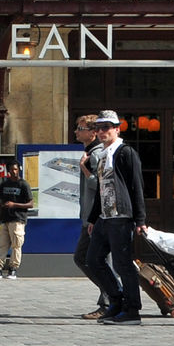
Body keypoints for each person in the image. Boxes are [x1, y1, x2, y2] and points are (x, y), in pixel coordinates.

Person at [81, 110, 147, 325]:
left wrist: (140, 220)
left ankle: (132, 310)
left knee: (123, 264)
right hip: (104, 217)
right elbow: (101, 189)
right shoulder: (102, 156)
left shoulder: (125, 152)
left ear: (117, 129)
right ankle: (116, 300)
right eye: (98, 128)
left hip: (122, 216)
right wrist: (92, 219)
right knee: (92, 259)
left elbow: (137, 186)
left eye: (106, 128)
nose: (101, 132)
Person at [70, 113, 109, 320]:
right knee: (84, 258)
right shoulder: (91, 152)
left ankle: (110, 300)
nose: (76, 131)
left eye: (80, 128)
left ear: (93, 132)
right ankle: (112, 295)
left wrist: (84, 169)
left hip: (96, 217)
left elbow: (101, 185)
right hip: (90, 217)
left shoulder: (95, 155)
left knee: (94, 259)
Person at [0, 163, 33, 279]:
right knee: (2, 245)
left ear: (18, 170)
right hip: (5, 218)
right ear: (8, 171)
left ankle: (13, 268)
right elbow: (1, 205)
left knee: (16, 245)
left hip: (17, 218)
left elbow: (31, 204)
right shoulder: (4, 184)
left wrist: (14, 204)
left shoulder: (23, 184)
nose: (14, 171)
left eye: (15, 169)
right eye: (11, 169)